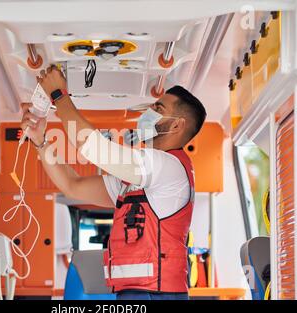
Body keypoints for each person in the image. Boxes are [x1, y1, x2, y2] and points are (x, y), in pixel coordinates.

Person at [21, 65, 206, 300]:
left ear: (177, 125)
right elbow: (72, 185)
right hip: (135, 292)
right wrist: (41, 142)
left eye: (158, 108)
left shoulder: (167, 167)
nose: (149, 111)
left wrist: (59, 95)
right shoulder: (137, 180)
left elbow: (95, 149)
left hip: (158, 294)